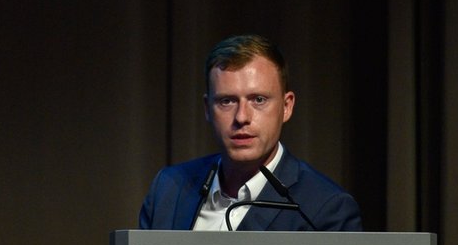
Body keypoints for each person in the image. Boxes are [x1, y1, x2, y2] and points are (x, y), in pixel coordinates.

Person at [139, 34, 362, 231]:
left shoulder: (325, 209)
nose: (242, 117)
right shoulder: (168, 189)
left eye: (258, 100)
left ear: (287, 107)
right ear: (207, 109)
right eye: (226, 101)